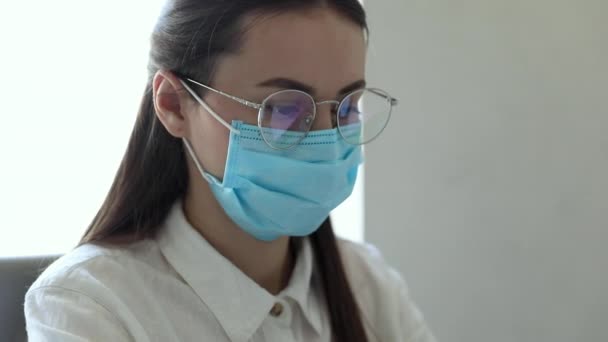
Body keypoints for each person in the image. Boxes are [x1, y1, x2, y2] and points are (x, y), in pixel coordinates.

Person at [24, 0, 437, 341]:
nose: (326, 141)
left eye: (347, 107)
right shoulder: (90, 303)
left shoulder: (368, 282)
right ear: (173, 104)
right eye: (284, 109)